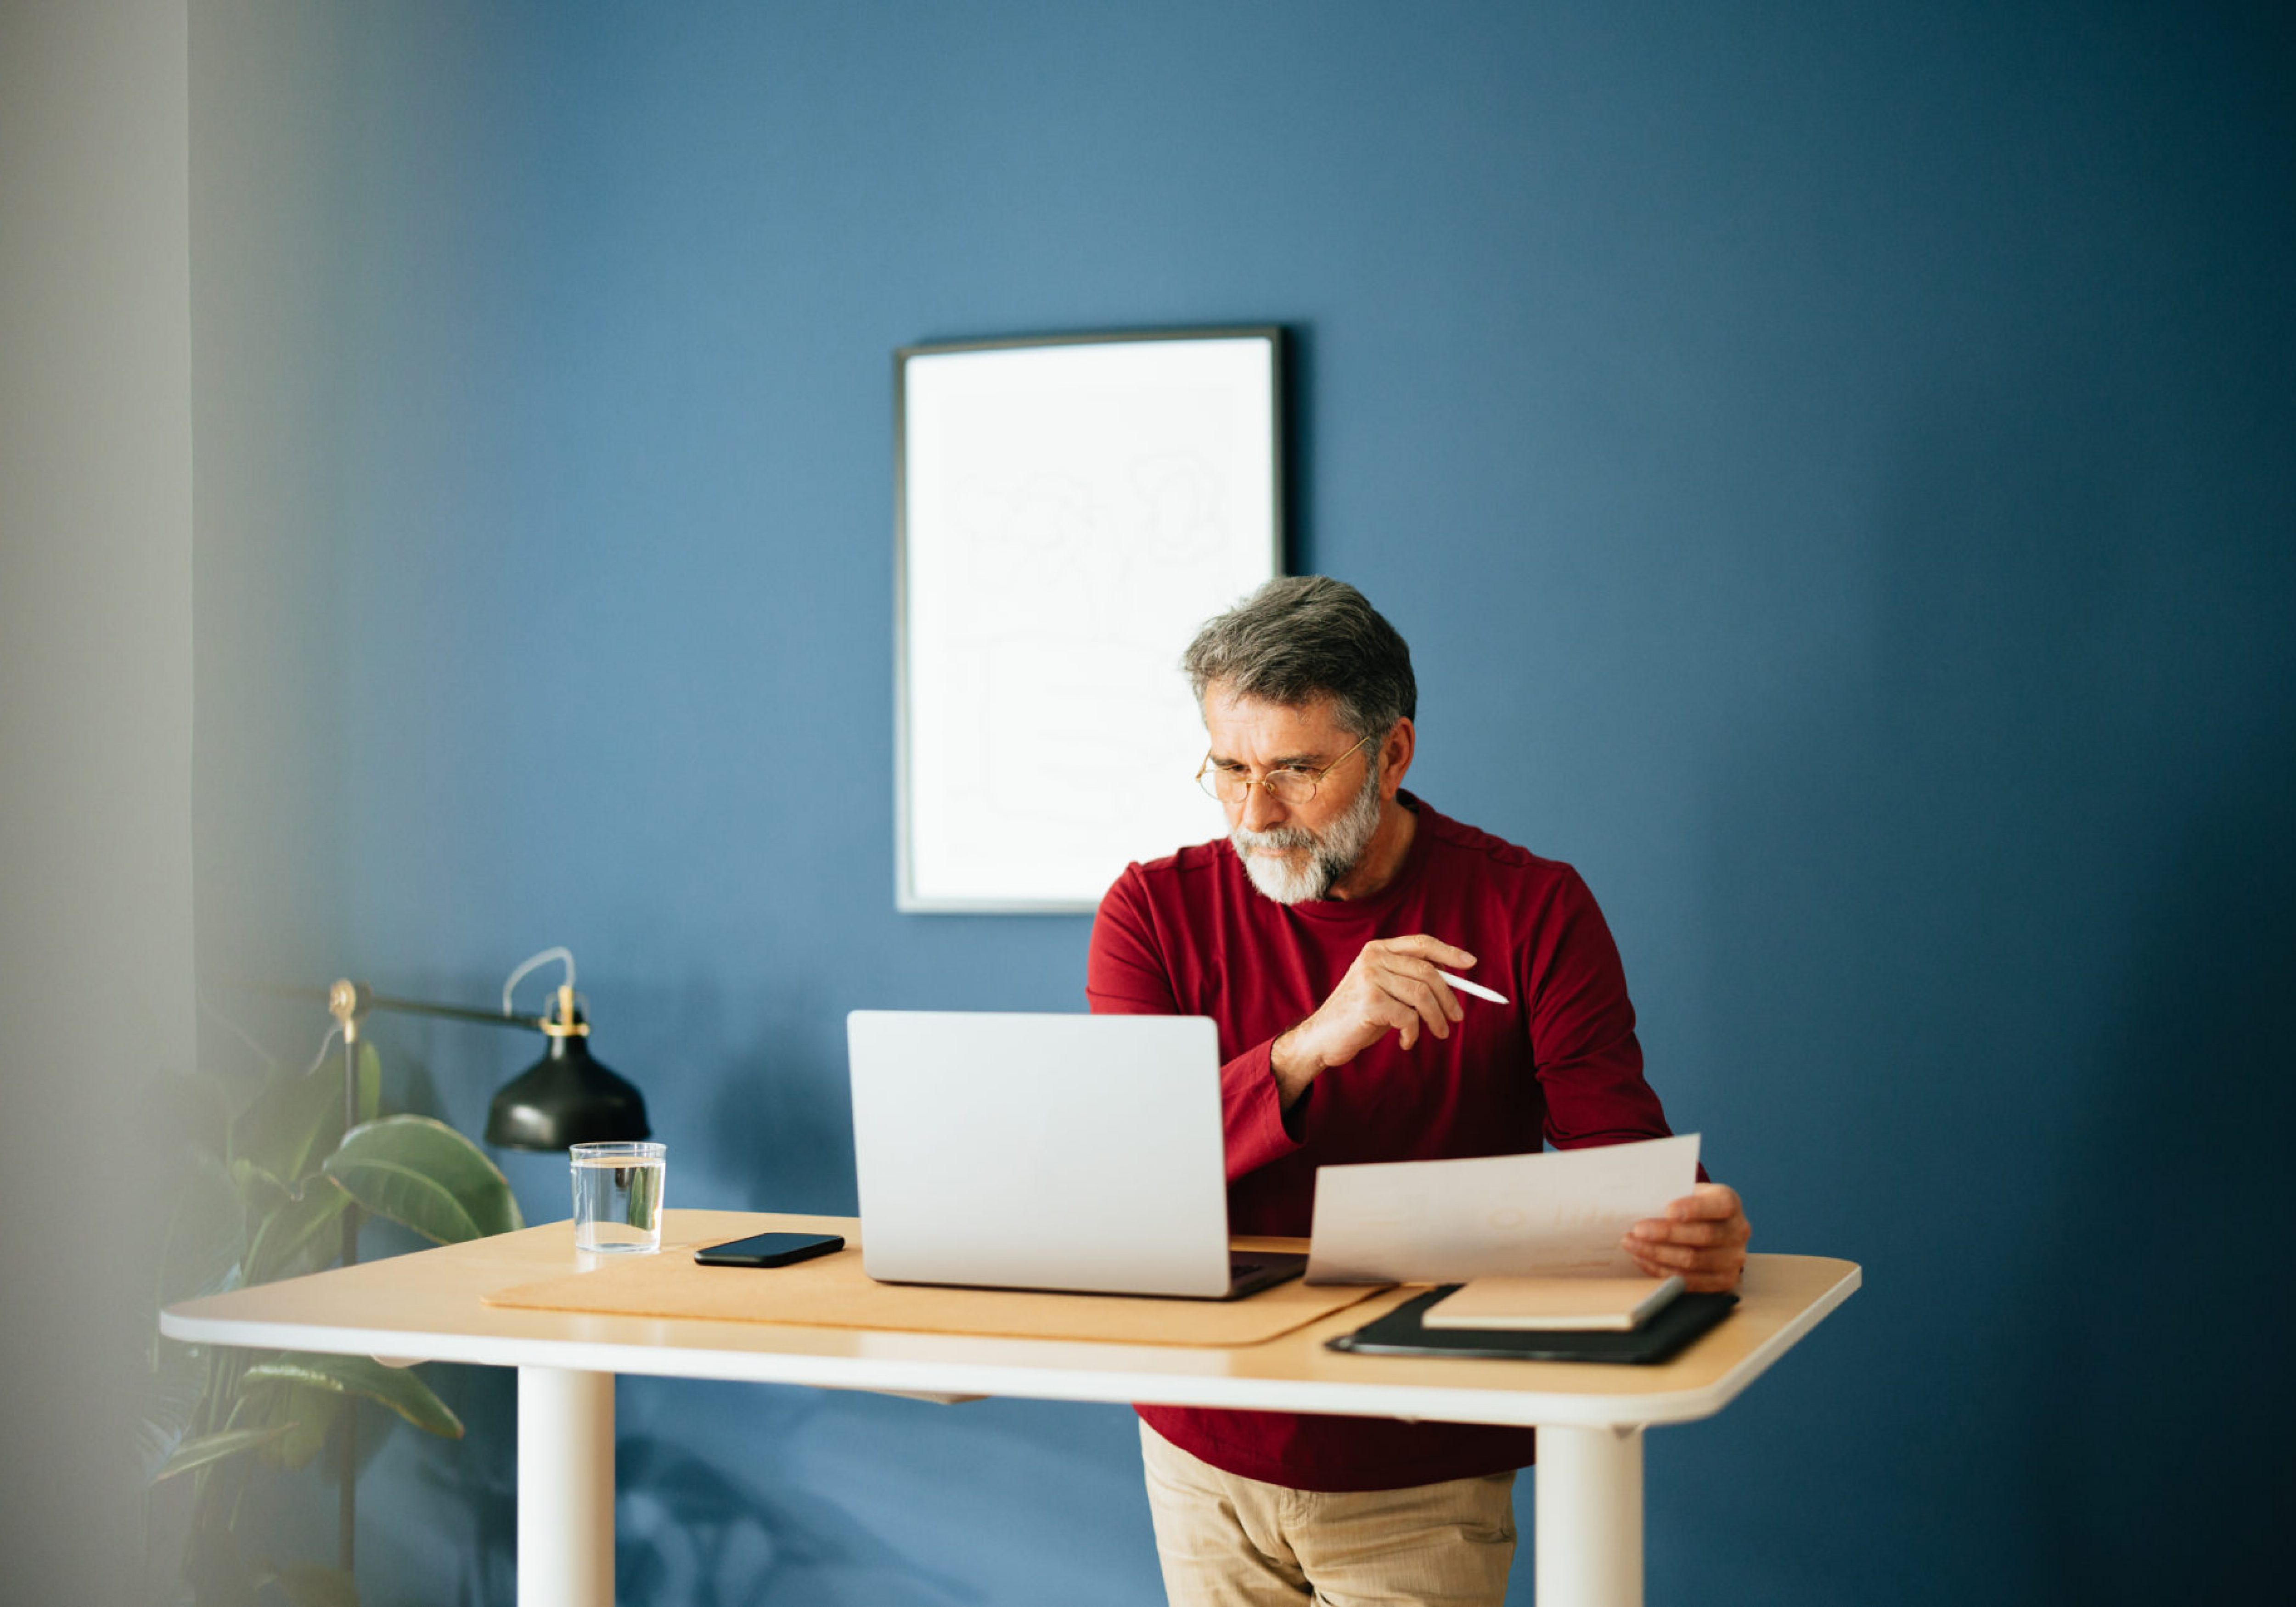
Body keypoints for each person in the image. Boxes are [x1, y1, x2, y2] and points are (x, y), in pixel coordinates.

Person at [1087, 576, 1750, 1607]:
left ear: (1392, 753)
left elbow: (1619, 1155)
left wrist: (1681, 1224)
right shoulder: (1151, 909)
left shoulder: (1531, 906)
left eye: (1297, 770)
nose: (1255, 813)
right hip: (1202, 1440)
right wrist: (1310, 1045)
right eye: (1228, 769)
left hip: (1418, 1458)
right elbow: (1127, 1169)